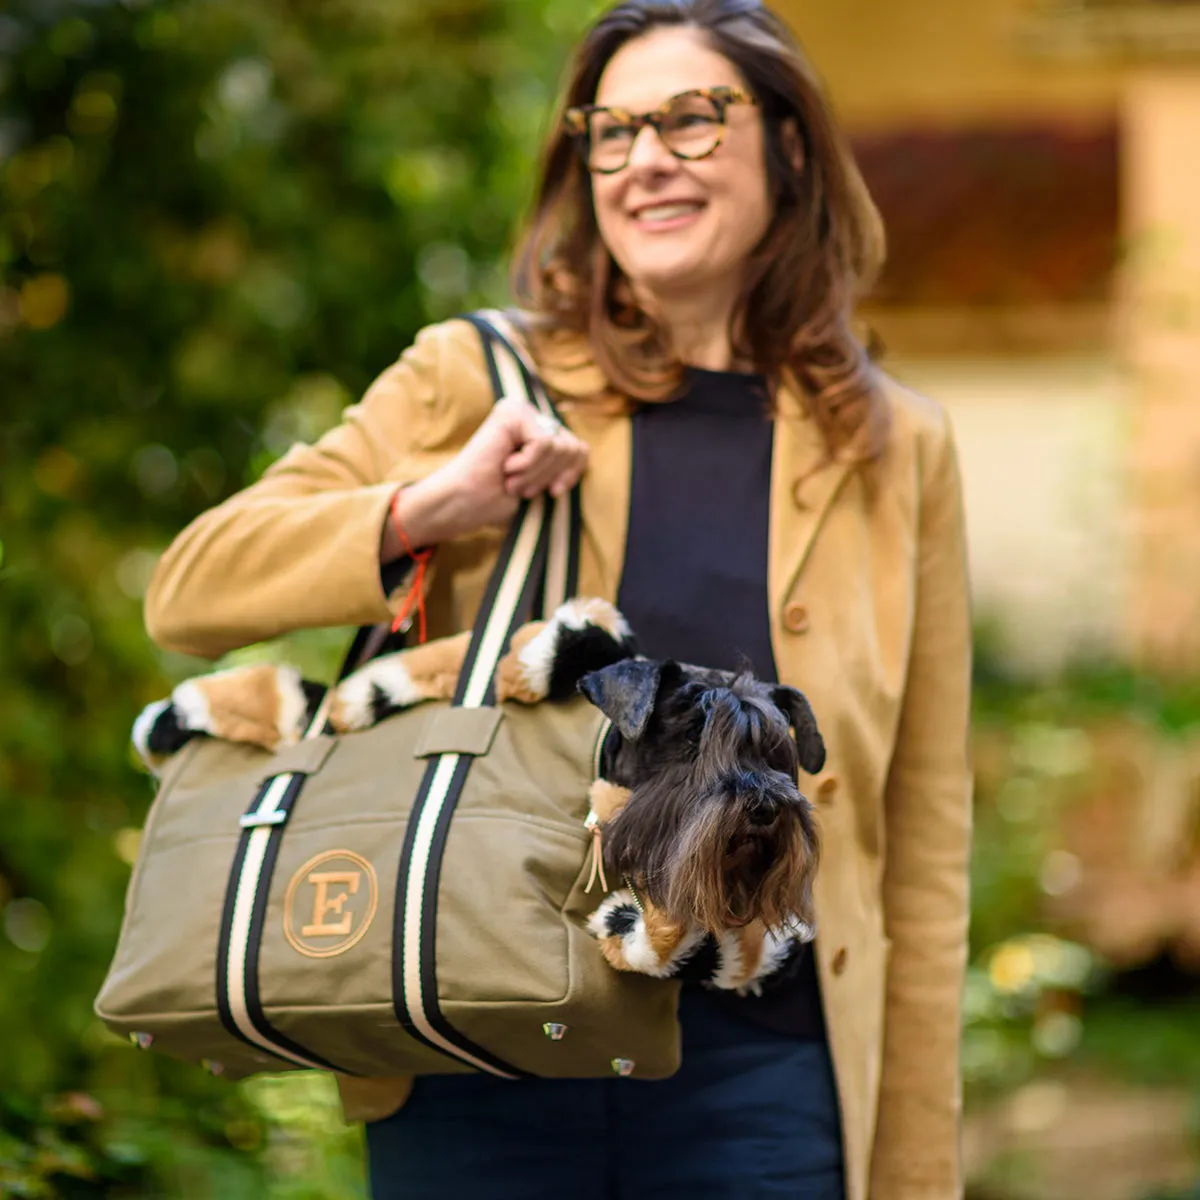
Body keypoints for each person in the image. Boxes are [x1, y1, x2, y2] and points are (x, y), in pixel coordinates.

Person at [144, 1, 973, 1197]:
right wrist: (428, 503)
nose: (645, 159)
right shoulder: (478, 377)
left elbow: (926, 837)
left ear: (789, 146)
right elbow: (194, 586)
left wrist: (912, 1167)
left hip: (766, 1080)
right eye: (611, 131)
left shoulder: (895, 445)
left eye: (693, 119)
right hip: (483, 1049)